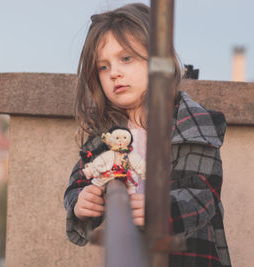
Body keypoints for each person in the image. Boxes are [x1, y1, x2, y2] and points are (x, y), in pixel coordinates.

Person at [63, 3, 231, 267]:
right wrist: (80, 201)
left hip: (188, 257)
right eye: (103, 67)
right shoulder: (106, 132)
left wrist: (161, 210)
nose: (114, 72)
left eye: (126, 58)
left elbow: (202, 194)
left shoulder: (192, 123)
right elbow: (81, 177)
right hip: (131, 254)